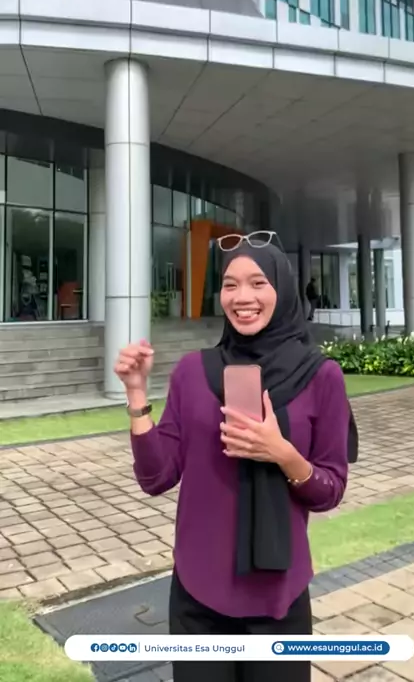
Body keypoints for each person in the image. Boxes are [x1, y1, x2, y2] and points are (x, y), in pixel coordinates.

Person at [115, 237, 355, 682]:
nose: (242, 297)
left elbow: (330, 489)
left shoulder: (321, 377)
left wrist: (282, 453)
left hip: (278, 599)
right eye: (230, 284)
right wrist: (136, 394)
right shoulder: (192, 372)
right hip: (198, 597)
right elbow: (156, 477)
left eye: (258, 283)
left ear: (282, 289)